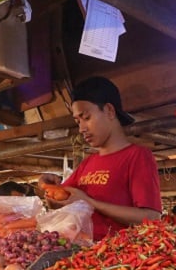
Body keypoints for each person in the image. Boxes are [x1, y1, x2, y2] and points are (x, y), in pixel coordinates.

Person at [38, 76, 162, 241]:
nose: (81, 128)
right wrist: (46, 186)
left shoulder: (137, 156)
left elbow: (151, 217)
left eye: (86, 117)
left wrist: (90, 202)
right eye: (78, 121)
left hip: (117, 259)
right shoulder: (88, 163)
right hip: (81, 256)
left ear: (110, 111)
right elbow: (60, 201)